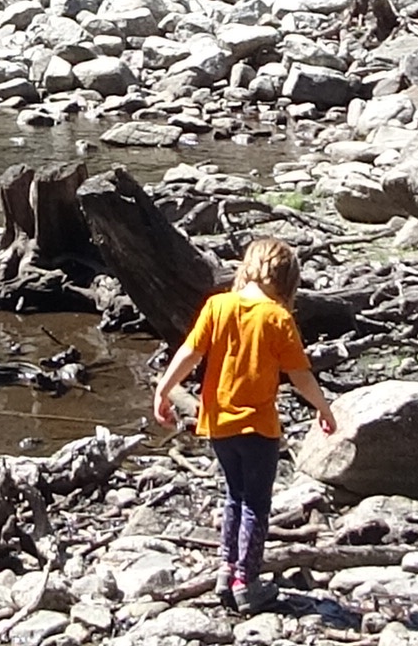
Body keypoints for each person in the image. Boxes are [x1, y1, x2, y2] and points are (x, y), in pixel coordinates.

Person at [150, 236, 338, 611]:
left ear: (248, 268)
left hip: (218, 424)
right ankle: (246, 581)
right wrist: (324, 408)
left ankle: (226, 572)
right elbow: (300, 375)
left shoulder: (217, 306)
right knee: (255, 504)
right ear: (286, 280)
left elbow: (190, 352)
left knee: (233, 496)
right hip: (257, 428)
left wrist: (164, 388)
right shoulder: (277, 317)